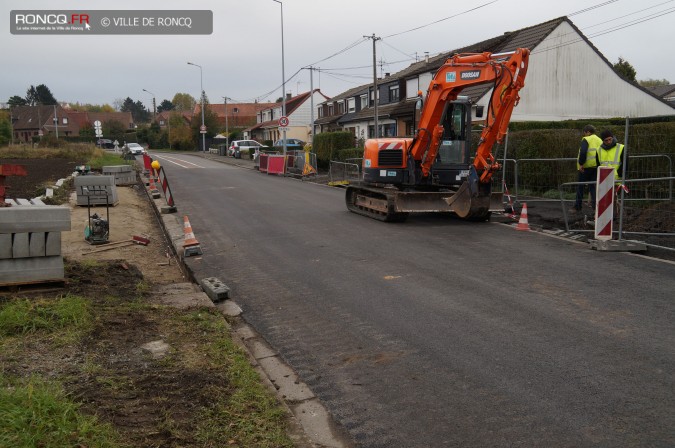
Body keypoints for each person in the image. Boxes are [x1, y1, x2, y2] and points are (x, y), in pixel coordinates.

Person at [573, 125, 602, 212]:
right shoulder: (599, 140)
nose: (584, 135)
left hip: (585, 167)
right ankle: (595, 207)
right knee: (593, 187)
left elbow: (583, 152)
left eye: (584, 133)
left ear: (588, 132)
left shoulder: (586, 139)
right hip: (596, 167)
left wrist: (581, 164)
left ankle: (578, 206)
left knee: (580, 187)